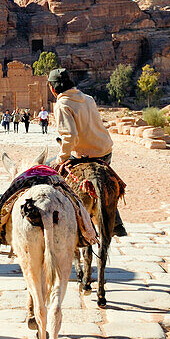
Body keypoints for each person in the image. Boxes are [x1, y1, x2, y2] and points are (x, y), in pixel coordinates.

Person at [48, 68, 127, 237]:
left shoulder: (62, 104)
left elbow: (70, 137)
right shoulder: (88, 98)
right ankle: (116, 223)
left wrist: (60, 159)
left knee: (49, 168)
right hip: (105, 150)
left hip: (85, 154)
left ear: (52, 88)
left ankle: (65, 218)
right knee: (104, 184)